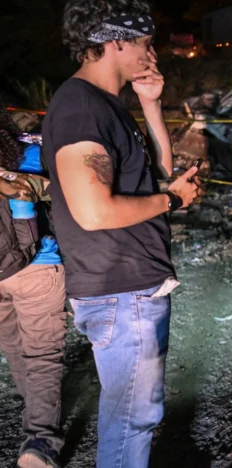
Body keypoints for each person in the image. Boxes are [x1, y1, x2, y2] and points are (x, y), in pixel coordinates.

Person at [40, 0, 200, 467]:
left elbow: (160, 173)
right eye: (145, 43)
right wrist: (170, 199)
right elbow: (93, 211)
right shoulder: (80, 107)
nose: (152, 54)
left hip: (134, 286)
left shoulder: (106, 104)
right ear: (115, 43)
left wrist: (151, 104)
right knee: (133, 419)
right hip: (120, 290)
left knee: (135, 414)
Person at [0, 110, 66, 468]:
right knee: (42, 355)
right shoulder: (28, 152)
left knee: (14, 347)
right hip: (36, 266)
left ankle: (36, 411)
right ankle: (40, 438)